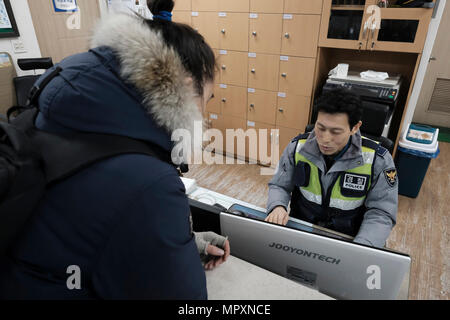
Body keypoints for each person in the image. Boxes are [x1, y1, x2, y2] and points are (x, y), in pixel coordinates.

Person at [0, 0, 229, 299]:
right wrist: (172, 247)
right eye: (206, 99)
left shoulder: (51, 110)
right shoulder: (150, 183)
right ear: (185, 89)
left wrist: (180, 242)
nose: (204, 115)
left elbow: (81, 224)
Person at [265, 88, 398, 248]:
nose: (325, 139)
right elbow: (279, 185)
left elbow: (381, 212)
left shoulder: (378, 160)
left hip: (349, 238)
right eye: (320, 128)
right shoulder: (297, 147)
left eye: (335, 131)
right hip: (302, 229)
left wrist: (363, 247)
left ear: (355, 127)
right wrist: (277, 206)